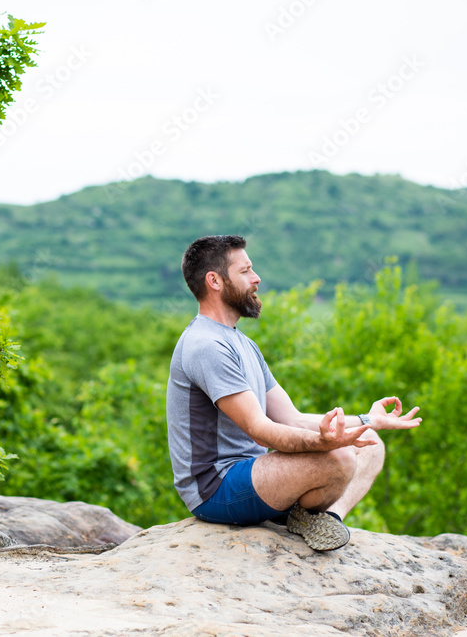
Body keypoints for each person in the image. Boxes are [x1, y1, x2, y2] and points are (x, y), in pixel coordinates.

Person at [166, 235, 422, 551]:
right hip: (217, 488)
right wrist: (325, 444)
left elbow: (292, 418)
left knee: (370, 444)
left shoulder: (242, 344)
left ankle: (325, 518)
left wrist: (369, 419)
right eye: (245, 271)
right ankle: (308, 515)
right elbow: (261, 430)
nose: (256, 278)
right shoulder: (206, 346)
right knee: (339, 456)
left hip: (257, 474)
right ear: (214, 281)